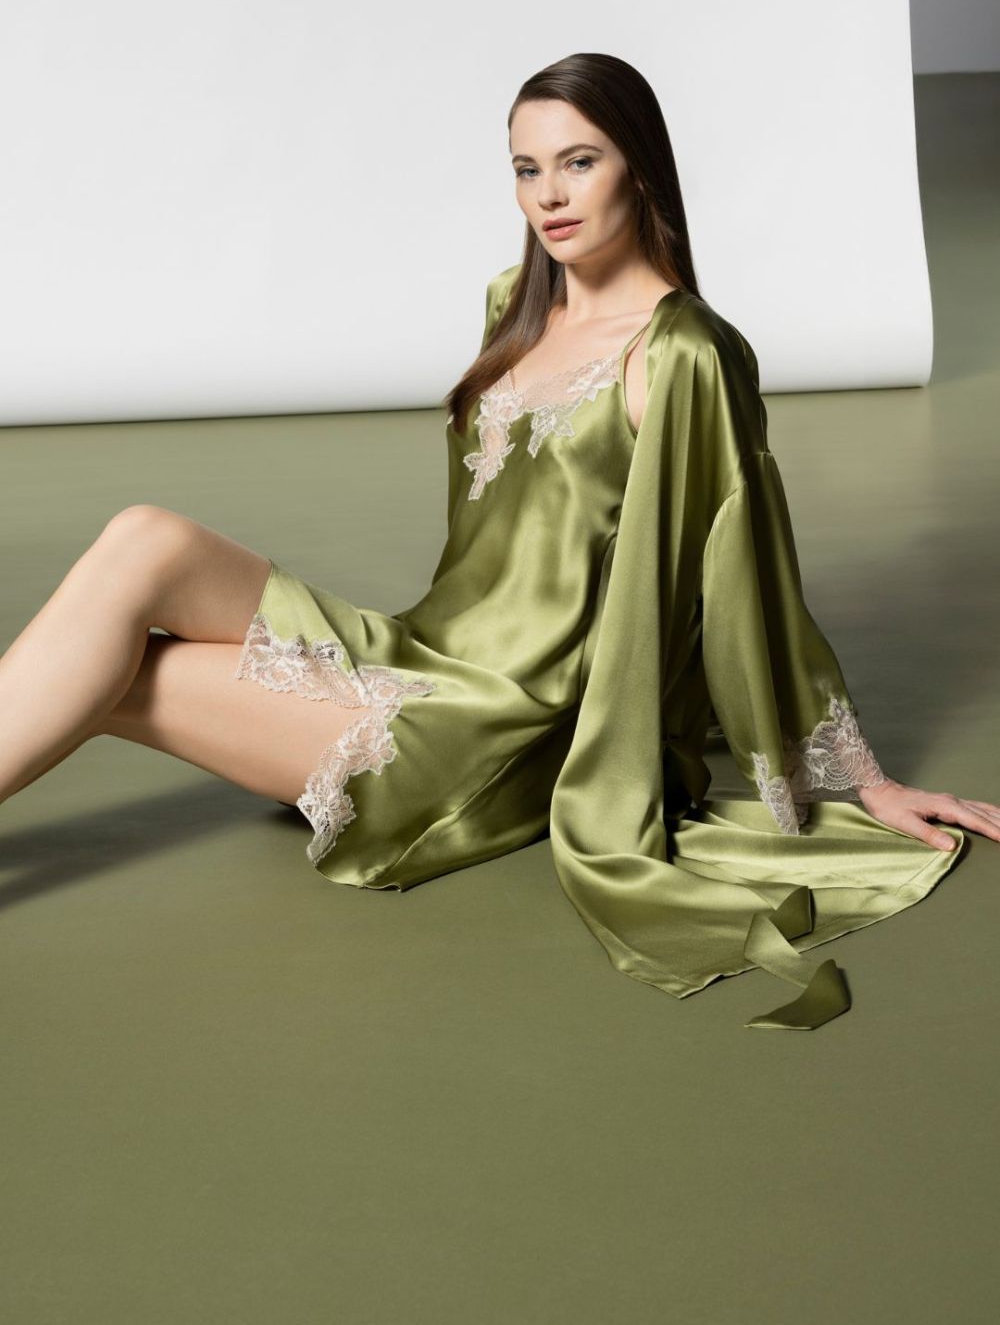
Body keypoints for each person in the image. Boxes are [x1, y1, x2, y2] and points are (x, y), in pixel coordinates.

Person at [3, 52, 997, 1030]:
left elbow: (748, 574)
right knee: (143, 540)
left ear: (640, 167)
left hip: (489, 727)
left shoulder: (683, 351)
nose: (548, 195)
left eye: (579, 161)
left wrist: (862, 780)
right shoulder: (512, 306)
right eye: (527, 168)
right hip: (417, 650)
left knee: (105, 671)